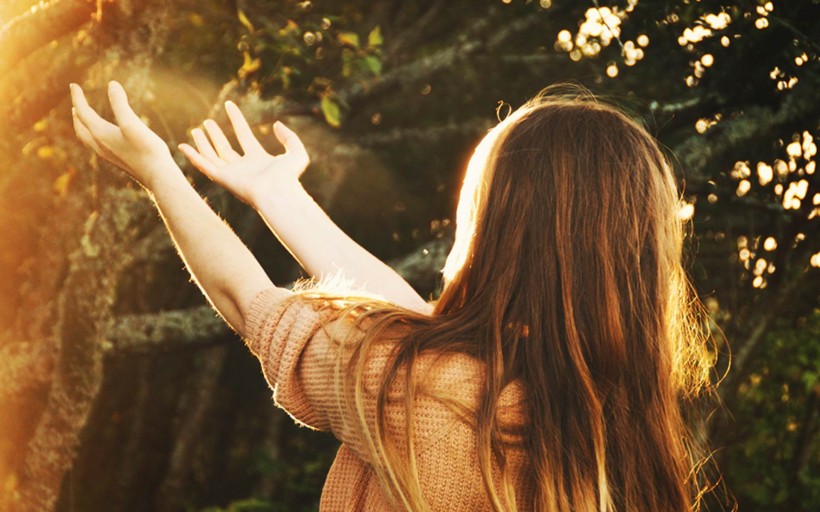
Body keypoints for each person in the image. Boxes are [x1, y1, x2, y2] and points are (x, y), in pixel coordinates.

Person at [70, 81, 714, 511]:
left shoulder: (423, 390)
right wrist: (280, 195)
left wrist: (156, 172)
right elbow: (410, 320)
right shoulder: (625, 436)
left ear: (497, 227)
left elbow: (249, 300)